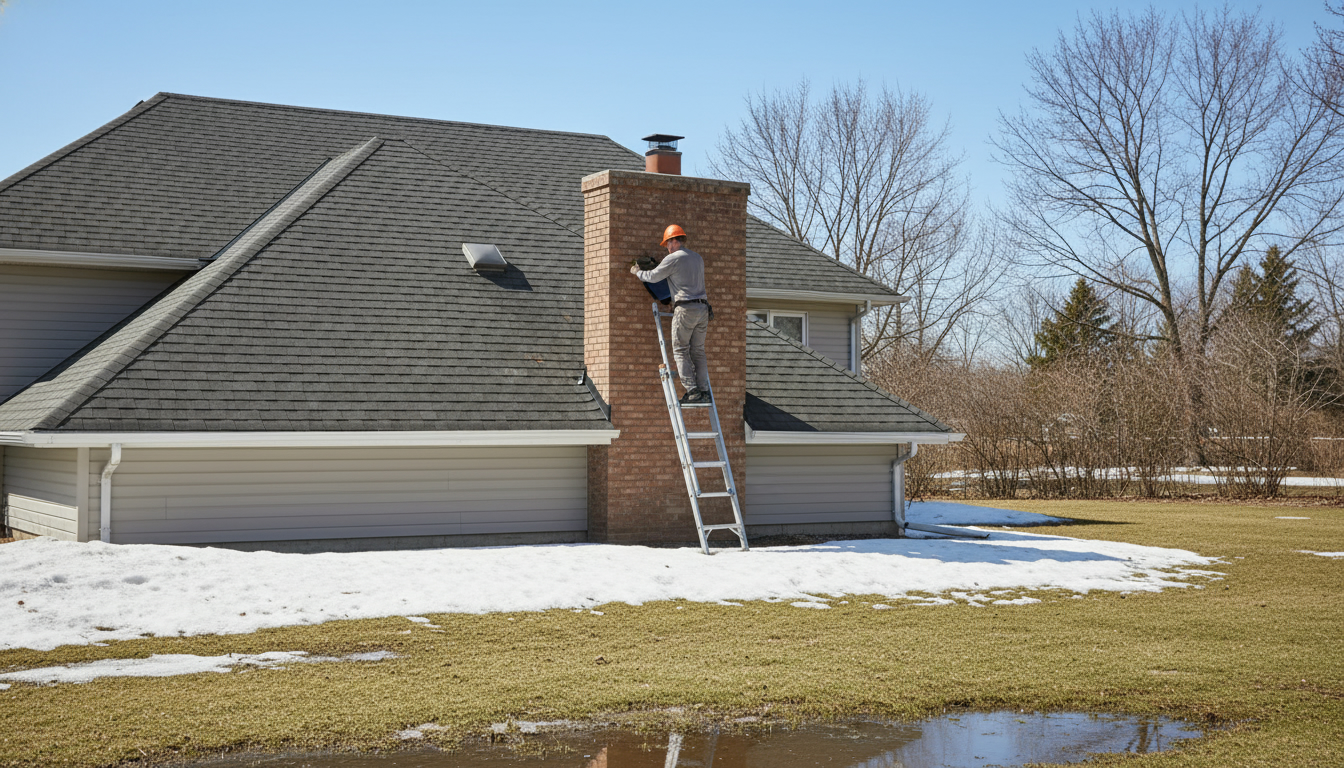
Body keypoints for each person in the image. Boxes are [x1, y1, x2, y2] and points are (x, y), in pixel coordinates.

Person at [630, 224, 711, 404]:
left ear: (675, 241)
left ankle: (692, 391)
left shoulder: (673, 258)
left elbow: (653, 277)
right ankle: (704, 391)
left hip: (685, 309)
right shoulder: (697, 258)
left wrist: (638, 272)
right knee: (698, 351)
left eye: (668, 243)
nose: (667, 248)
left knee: (681, 349)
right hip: (703, 309)